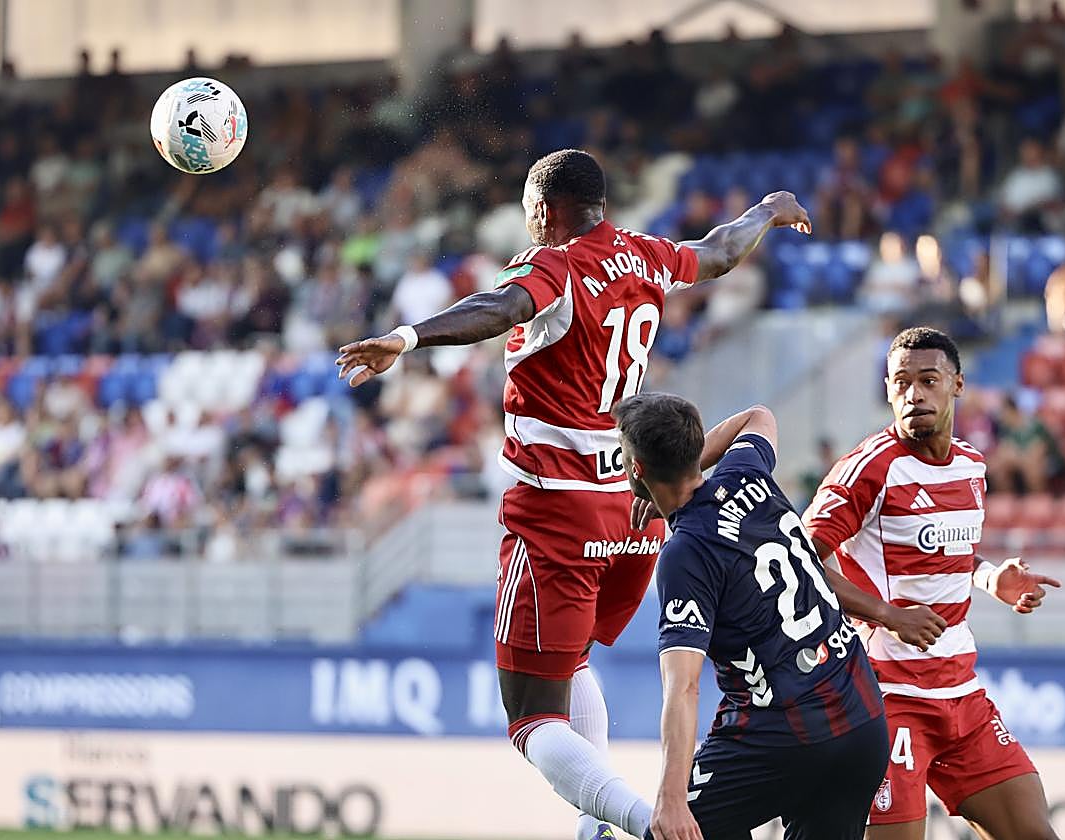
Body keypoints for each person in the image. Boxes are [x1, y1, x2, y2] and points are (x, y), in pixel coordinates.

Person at [337, 149, 810, 840]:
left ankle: (648, 824)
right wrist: (766, 210)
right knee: (574, 659)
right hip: (635, 512)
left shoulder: (554, 264)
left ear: (544, 211)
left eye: (531, 213)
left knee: (531, 717)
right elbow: (717, 253)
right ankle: (597, 829)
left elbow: (500, 306)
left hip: (558, 512)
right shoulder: (646, 254)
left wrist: (407, 337)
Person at [801, 327, 1063, 840]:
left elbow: (946, 551)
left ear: (957, 385)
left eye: (928, 380)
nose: (914, 394)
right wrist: (887, 614)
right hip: (886, 697)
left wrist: (989, 577)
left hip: (962, 693)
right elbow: (797, 559)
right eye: (901, 383)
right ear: (887, 388)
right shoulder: (868, 468)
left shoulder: (971, 465)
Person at [616, 394, 886, 840]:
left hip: (785, 733)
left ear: (636, 468)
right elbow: (758, 416)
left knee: (670, 834)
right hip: (862, 720)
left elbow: (683, 686)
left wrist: (672, 797)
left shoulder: (686, 553)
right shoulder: (745, 471)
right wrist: (683, 462)